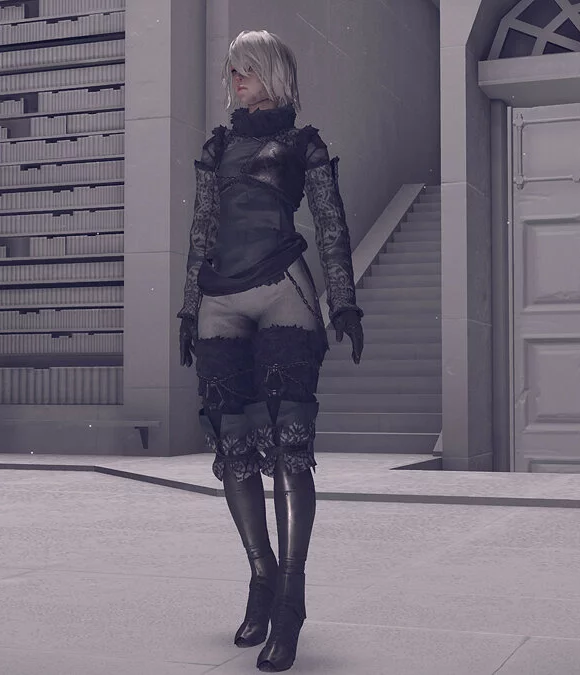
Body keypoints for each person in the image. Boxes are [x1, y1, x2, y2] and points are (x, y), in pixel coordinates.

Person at [176, 29, 364, 673]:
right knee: (233, 449)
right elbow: (202, 229)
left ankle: (290, 604)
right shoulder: (218, 146)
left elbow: (331, 223)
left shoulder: (303, 144)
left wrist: (344, 301)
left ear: (272, 73)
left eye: (246, 71)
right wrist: (187, 307)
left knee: (288, 448)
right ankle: (261, 579)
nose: (235, 81)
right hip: (219, 300)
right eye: (231, 72)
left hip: (284, 290)